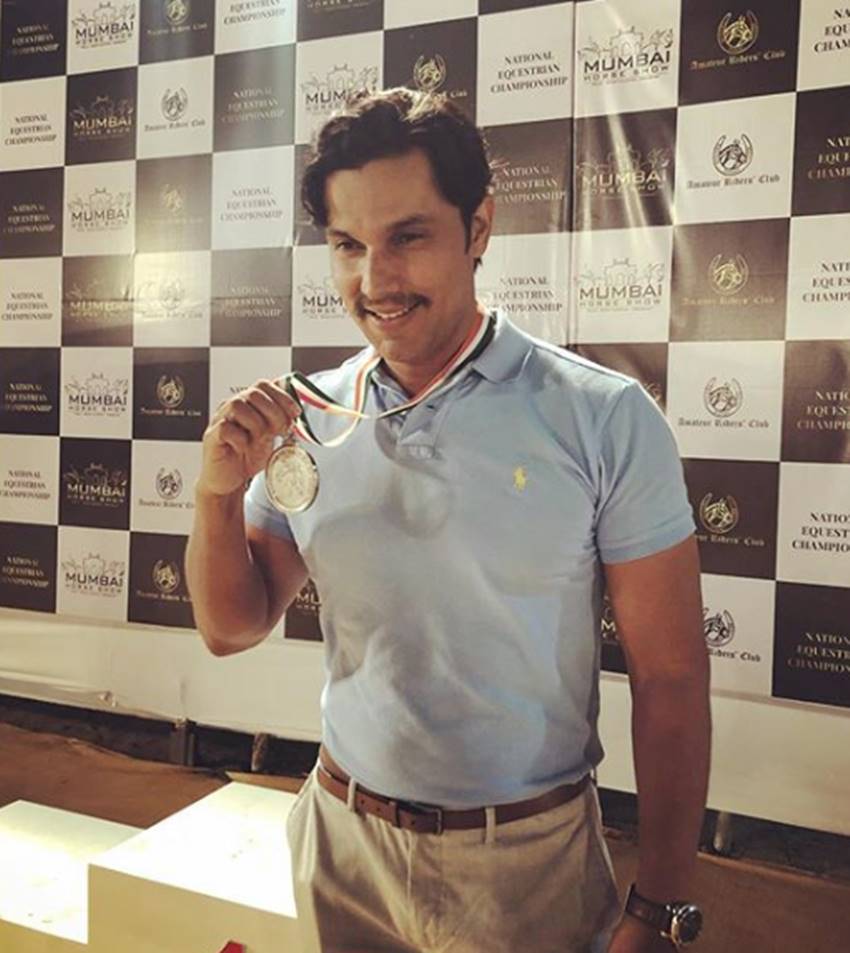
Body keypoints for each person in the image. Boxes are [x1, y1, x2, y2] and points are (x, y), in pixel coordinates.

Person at [185, 88, 711, 953]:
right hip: (342, 848)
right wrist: (213, 494)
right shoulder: (308, 417)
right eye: (349, 245)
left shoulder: (603, 416)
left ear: (479, 227)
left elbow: (671, 678)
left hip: (526, 866)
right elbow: (230, 626)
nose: (375, 280)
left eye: (408, 237)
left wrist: (661, 905)